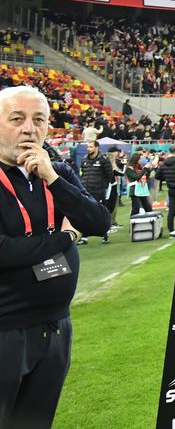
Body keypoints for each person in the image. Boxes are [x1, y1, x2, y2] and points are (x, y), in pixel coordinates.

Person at [0, 85, 112, 429]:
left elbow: (99, 222)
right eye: (16, 119)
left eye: (39, 120)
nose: (29, 129)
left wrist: (51, 178)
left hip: (56, 326)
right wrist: (63, 237)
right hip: (6, 330)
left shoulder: (57, 172)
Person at [76, 141, 110, 245]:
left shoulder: (103, 160)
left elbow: (109, 174)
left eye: (90, 147)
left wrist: (103, 186)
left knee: (100, 214)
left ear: (97, 148)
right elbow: (82, 173)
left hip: (98, 191)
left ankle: (105, 235)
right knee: (84, 214)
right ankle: (84, 237)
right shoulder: (84, 160)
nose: (88, 148)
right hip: (86, 191)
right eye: (88, 147)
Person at [125, 151, 151, 218]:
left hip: (142, 189)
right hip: (134, 190)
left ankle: (151, 220)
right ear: (136, 159)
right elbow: (137, 177)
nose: (141, 160)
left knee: (147, 206)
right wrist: (145, 168)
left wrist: (148, 170)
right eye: (140, 159)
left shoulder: (140, 167)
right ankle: (133, 222)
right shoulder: (129, 169)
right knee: (136, 208)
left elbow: (146, 177)